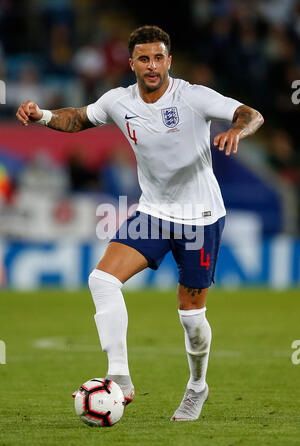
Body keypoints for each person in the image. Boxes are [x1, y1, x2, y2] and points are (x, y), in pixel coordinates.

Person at [16, 25, 264, 421]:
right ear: (131, 62)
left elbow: (251, 114)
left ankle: (197, 387)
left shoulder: (193, 96)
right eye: (144, 58)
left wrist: (237, 129)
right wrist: (42, 114)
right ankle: (120, 376)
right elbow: (79, 118)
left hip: (199, 217)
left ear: (169, 60)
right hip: (153, 213)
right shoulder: (119, 100)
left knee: (191, 318)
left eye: (159, 58)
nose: (152, 66)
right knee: (102, 280)